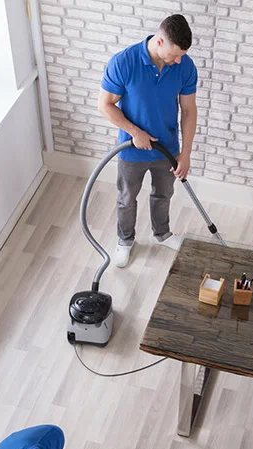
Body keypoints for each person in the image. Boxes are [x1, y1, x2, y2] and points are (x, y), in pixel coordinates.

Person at [98, 13, 199, 269]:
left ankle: (162, 234)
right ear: (160, 41)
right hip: (132, 151)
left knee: (163, 194)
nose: (178, 60)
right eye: (175, 54)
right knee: (126, 198)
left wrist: (185, 153)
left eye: (182, 55)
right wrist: (135, 132)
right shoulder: (125, 62)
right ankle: (125, 241)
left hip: (167, 150)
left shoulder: (184, 66)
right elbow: (105, 105)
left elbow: (189, 110)